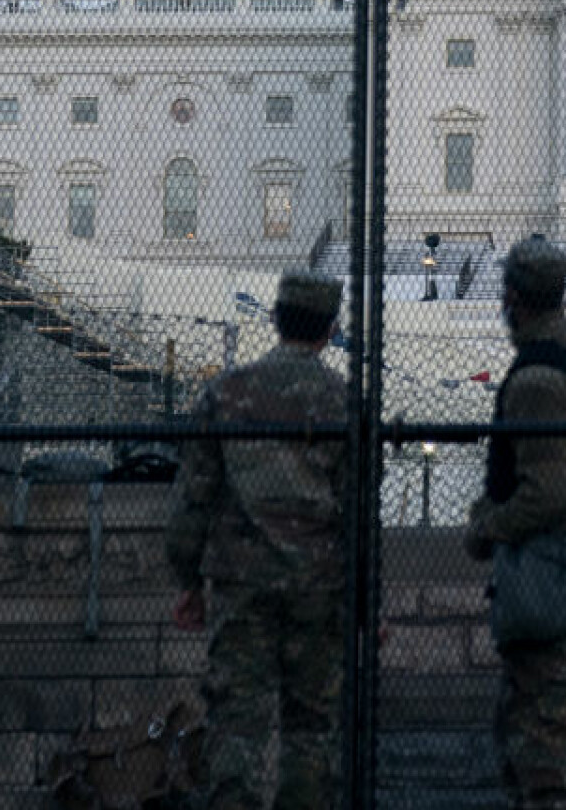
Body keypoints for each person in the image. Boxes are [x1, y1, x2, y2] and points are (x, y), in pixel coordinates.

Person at [166, 269, 349, 810]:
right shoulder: (342, 400)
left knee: (236, 717)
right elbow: (357, 510)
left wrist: (187, 579)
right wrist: (366, 602)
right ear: (330, 328)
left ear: (274, 320)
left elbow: (193, 498)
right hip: (318, 582)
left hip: (240, 579)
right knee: (311, 725)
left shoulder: (226, 393)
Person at [464, 237, 566, 810]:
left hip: (542, 558)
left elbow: (550, 491)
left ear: (514, 295)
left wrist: (487, 526)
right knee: (535, 724)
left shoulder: (538, 378)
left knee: (538, 744)